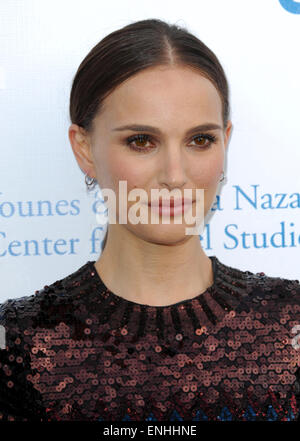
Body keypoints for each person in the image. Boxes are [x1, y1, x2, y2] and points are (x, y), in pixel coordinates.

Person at [0, 18, 299, 422]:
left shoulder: (290, 325)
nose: (175, 175)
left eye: (200, 140)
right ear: (84, 148)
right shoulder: (17, 343)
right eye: (142, 141)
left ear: (225, 142)